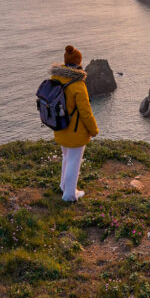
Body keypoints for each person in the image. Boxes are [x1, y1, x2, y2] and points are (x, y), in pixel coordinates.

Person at [51, 44, 99, 202]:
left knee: (66, 157)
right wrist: (94, 130)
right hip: (75, 131)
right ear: (79, 63)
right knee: (74, 161)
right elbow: (86, 112)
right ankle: (70, 195)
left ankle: (64, 186)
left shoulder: (56, 79)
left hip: (60, 126)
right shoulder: (78, 85)